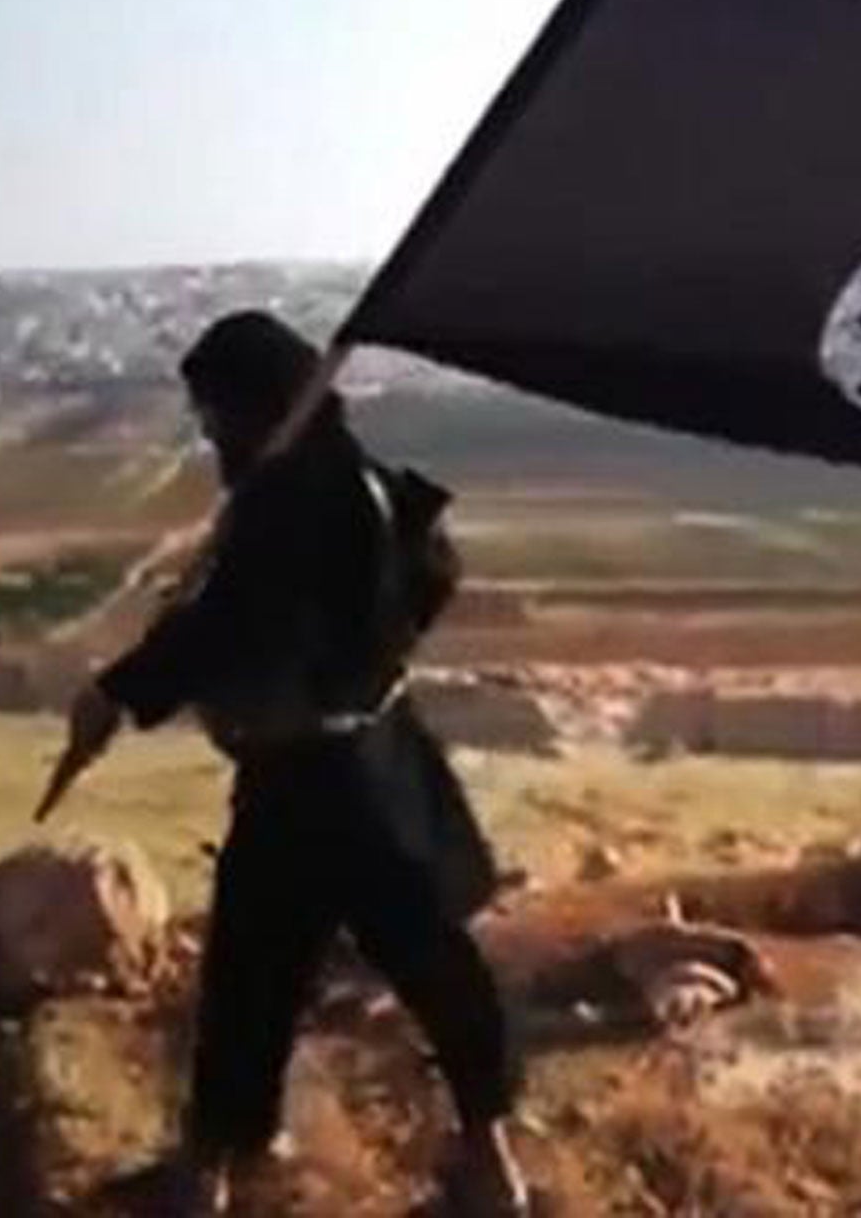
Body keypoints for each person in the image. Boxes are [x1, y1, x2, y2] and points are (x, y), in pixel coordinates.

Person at [60, 309, 528, 1216]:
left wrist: (118, 689)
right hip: (380, 764)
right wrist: (366, 649)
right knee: (433, 965)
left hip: (305, 786)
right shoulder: (360, 483)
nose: (208, 434)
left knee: (252, 975)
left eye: (214, 416)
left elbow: (227, 628)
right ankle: (488, 1166)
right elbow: (436, 571)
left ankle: (209, 1176)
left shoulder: (288, 501)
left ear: (255, 406)